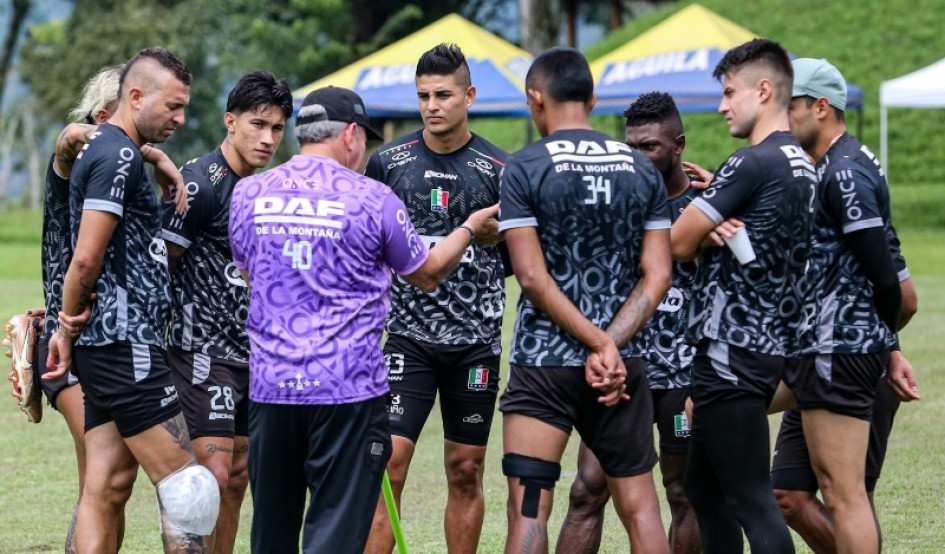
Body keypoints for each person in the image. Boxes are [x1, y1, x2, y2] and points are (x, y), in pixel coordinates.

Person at [228, 86, 501, 554]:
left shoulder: (248, 193)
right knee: (334, 531)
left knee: (271, 530)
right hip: (346, 391)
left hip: (272, 387)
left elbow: (251, 274)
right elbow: (428, 274)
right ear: (351, 134)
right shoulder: (373, 199)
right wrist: (469, 228)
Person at [5, 63, 186, 551]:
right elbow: (71, 135)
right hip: (86, 338)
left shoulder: (107, 158)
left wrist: (148, 153)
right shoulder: (90, 155)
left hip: (91, 338)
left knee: (108, 484)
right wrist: (143, 149)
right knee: (111, 485)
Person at [498, 47, 672, 554]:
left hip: (543, 364)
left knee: (529, 511)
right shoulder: (642, 170)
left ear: (536, 99)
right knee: (641, 509)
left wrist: (593, 341)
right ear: (592, 99)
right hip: (621, 367)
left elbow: (530, 277)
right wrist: (609, 345)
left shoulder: (524, 167)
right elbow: (658, 275)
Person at [45, 47, 219, 553]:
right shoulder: (117, 153)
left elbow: (83, 138)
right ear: (136, 96)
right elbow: (85, 259)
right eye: (173, 107)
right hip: (125, 345)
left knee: (108, 483)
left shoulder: (110, 147)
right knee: (189, 487)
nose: (181, 119)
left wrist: (157, 157)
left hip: (109, 347)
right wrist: (63, 330)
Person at [669, 38, 816, 554]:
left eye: (730, 92)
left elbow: (678, 242)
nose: (721, 105)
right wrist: (719, 208)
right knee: (704, 491)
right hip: (764, 341)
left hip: (730, 348)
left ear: (765, 89)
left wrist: (705, 215)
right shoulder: (800, 162)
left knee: (753, 498)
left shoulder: (749, 162)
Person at [362, 43, 508, 554]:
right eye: (423, 95)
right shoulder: (387, 163)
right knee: (389, 462)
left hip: (475, 344)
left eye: (443, 94)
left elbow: (518, 258)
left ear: (469, 95)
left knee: (466, 468)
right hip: (407, 339)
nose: (432, 106)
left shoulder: (500, 170)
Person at [768, 57, 912, 554]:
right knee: (791, 490)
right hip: (819, 350)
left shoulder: (844, 172)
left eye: (789, 107)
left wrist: (885, 342)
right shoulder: (831, 165)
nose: (780, 120)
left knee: (845, 495)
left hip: (839, 351)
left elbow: (891, 283)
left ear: (820, 107)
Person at [556, 92, 701, 554]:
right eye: (631, 146)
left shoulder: (707, 205)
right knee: (587, 490)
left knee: (682, 492)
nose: (638, 156)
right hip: (623, 365)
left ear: (678, 145)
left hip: (685, 375)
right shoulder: (615, 201)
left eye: (650, 147)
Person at [160, 70, 292, 554]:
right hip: (200, 354)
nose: (267, 138)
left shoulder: (264, 189)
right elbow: (162, 266)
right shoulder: (200, 183)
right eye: (257, 124)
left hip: (252, 355)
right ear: (229, 121)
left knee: (237, 479)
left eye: (277, 129)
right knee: (210, 479)